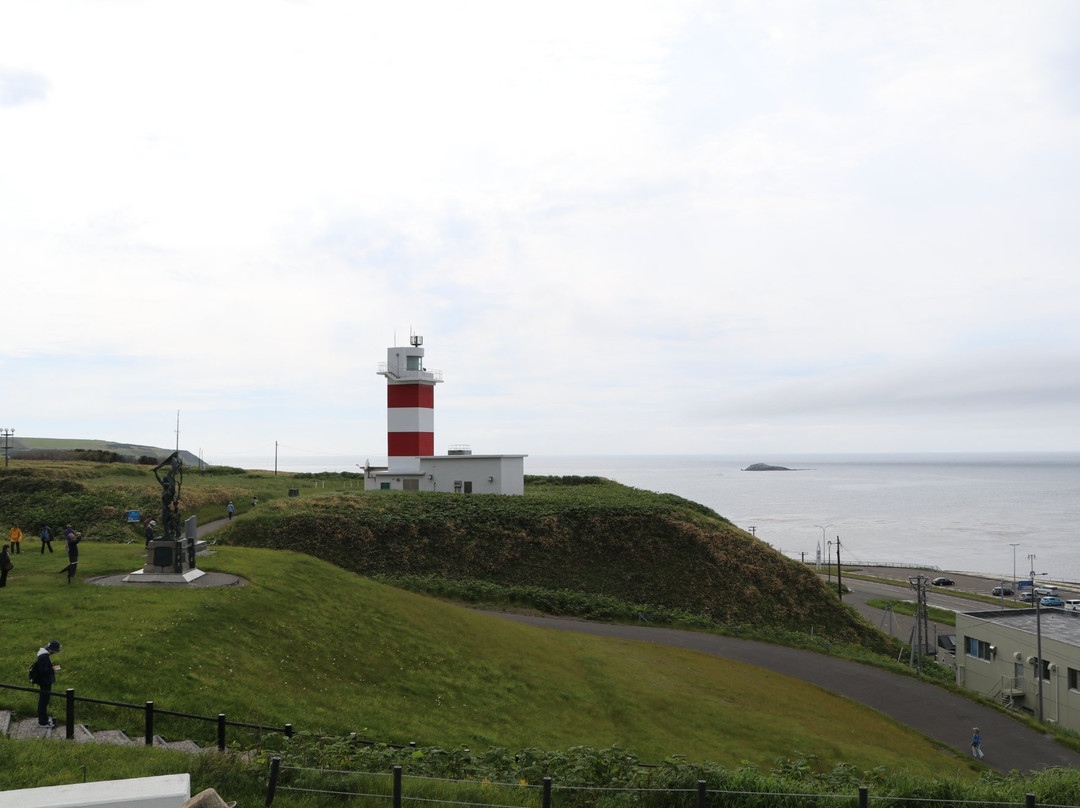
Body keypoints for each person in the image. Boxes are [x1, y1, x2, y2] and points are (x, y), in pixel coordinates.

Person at [34, 639, 61, 728]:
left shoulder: (43, 655)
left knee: (44, 701)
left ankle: (43, 720)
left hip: (45, 681)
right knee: (43, 702)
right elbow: (43, 670)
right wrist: (52, 669)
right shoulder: (44, 657)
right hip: (45, 682)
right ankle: (43, 722)